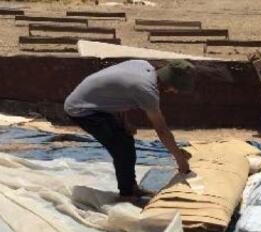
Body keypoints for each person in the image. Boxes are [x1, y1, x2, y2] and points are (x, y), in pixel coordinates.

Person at [64, 59, 195, 202]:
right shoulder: (147, 90)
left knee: (125, 139)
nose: (174, 92)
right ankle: (126, 195)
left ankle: (131, 187)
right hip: (82, 109)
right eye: (174, 88)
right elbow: (161, 130)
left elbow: (119, 91)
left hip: (95, 102)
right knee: (122, 147)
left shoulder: (143, 65)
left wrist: (125, 122)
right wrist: (180, 160)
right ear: (167, 81)